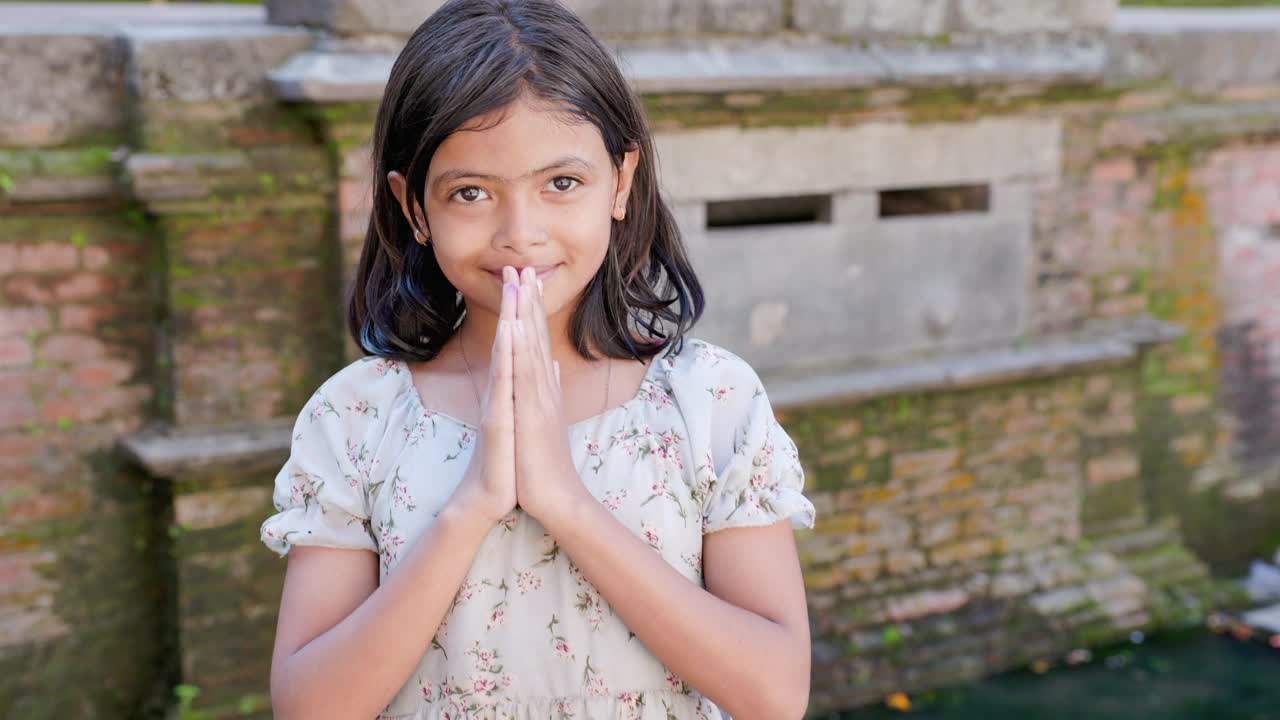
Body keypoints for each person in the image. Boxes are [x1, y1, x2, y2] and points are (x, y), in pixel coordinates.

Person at [259, 1, 817, 717]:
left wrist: (566, 504)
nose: (520, 234)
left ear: (620, 181)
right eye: (470, 193)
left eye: (561, 183)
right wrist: (473, 505)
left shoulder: (711, 402)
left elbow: (775, 694)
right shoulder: (358, 417)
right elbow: (309, 709)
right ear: (415, 209)